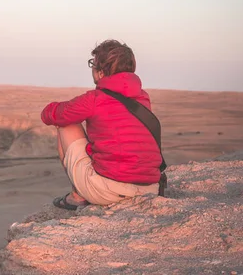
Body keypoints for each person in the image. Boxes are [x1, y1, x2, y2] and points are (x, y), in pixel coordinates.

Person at [41, 39, 162, 209]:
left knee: (66, 124)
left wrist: (51, 109)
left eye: (93, 64)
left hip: (110, 191)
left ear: (101, 73)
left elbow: (53, 115)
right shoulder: (142, 97)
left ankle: (77, 196)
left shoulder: (95, 99)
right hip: (150, 189)